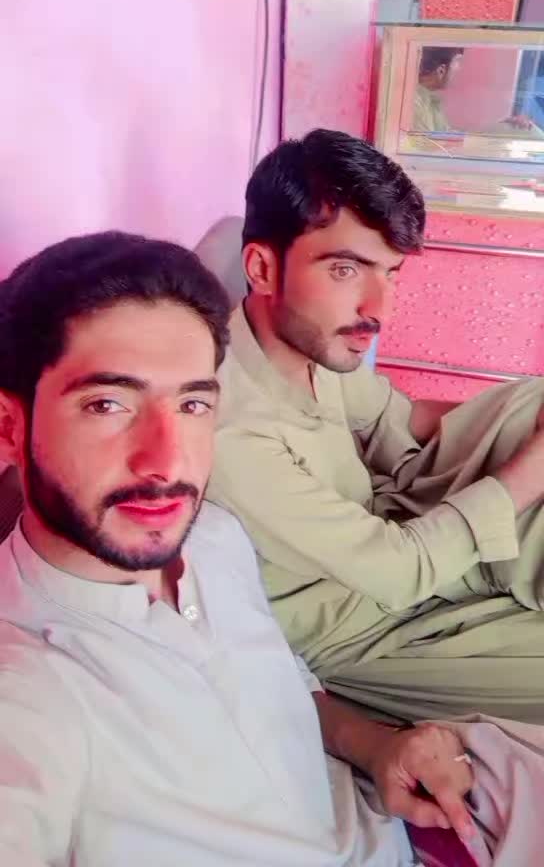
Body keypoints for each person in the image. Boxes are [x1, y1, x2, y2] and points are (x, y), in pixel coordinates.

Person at [0, 229, 479, 866]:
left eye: (193, 404)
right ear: (9, 427)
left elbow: (282, 681)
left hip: (391, 826)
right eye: (108, 404)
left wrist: (376, 746)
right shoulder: (27, 690)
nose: (167, 461)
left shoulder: (215, 536)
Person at [207, 128, 544, 724]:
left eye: (390, 273)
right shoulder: (231, 431)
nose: (379, 310)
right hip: (368, 625)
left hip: (398, 514)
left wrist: (522, 419)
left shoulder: (315, 343)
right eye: (346, 269)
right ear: (261, 267)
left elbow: (398, 418)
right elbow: (398, 571)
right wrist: (532, 467)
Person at [413, 46, 535, 134]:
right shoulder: (415, 103)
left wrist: (502, 127)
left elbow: (449, 138)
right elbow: (430, 148)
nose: (460, 69)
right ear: (441, 71)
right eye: (457, 62)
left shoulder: (431, 102)